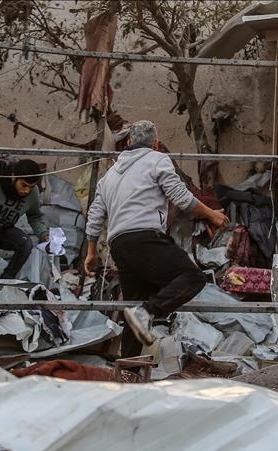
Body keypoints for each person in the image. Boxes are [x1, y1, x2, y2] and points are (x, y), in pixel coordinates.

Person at [84, 120, 229, 347]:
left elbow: (95, 215)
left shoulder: (110, 175)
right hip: (145, 238)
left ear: (129, 141)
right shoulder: (157, 159)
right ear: (156, 143)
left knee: (133, 305)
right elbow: (180, 197)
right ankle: (149, 312)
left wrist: (91, 252)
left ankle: (129, 365)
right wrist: (211, 214)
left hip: (119, 245)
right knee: (193, 277)